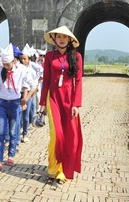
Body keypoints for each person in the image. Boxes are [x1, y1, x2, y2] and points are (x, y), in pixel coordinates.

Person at [39, 26, 84, 184]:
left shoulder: (76, 57)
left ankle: (66, 167)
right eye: (59, 37)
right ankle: (55, 169)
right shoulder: (50, 56)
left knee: (71, 136)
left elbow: (78, 81)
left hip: (70, 99)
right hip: (54, 99)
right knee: (56, 134)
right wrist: (43, 102)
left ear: (70, 40)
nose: (62, 39)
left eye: (65, 37)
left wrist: (76, 104)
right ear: (54, 39)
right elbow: (46, 80)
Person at [0, 44, 32, 172]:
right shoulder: (0, 71)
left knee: (13, 131)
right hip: (3, 103)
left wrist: (26, 97)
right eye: (4, 64)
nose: (6, 66)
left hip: (15, 103)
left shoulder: (21, 70)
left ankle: (11, 155)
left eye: (8, 64)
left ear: (13, 60)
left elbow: (31, 84)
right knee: (1, 131)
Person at [19, 44, 39, 143]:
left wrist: (36, 85)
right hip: (19, 94)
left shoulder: (32, 68)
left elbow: (34, 82)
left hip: (29, 95)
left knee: (26, 115)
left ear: (28, 59)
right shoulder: (18, 69)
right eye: (21, 59)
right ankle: (17, 132)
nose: (23, 61)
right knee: (18, 115)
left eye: (25, 59)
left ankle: (25, 133)